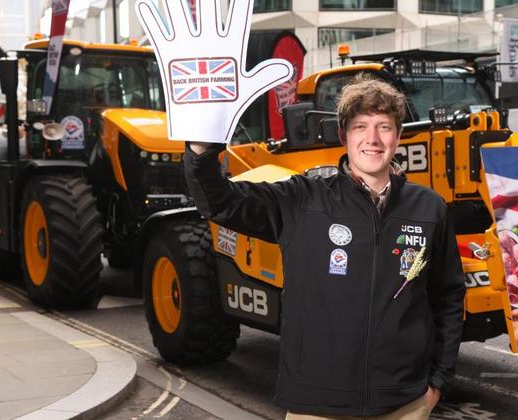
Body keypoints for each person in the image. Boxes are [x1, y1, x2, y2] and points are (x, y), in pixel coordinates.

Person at [184, 74, 465, 419]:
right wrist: (201, 149)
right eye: (361, 126)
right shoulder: (303, 199)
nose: (372, 139)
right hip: (316, 405)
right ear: (344, 135)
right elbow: (221, 203)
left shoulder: (429, 207)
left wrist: (437, 382)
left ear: (399, 135)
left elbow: (448, 298)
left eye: (384, 127)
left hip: (403, 404)